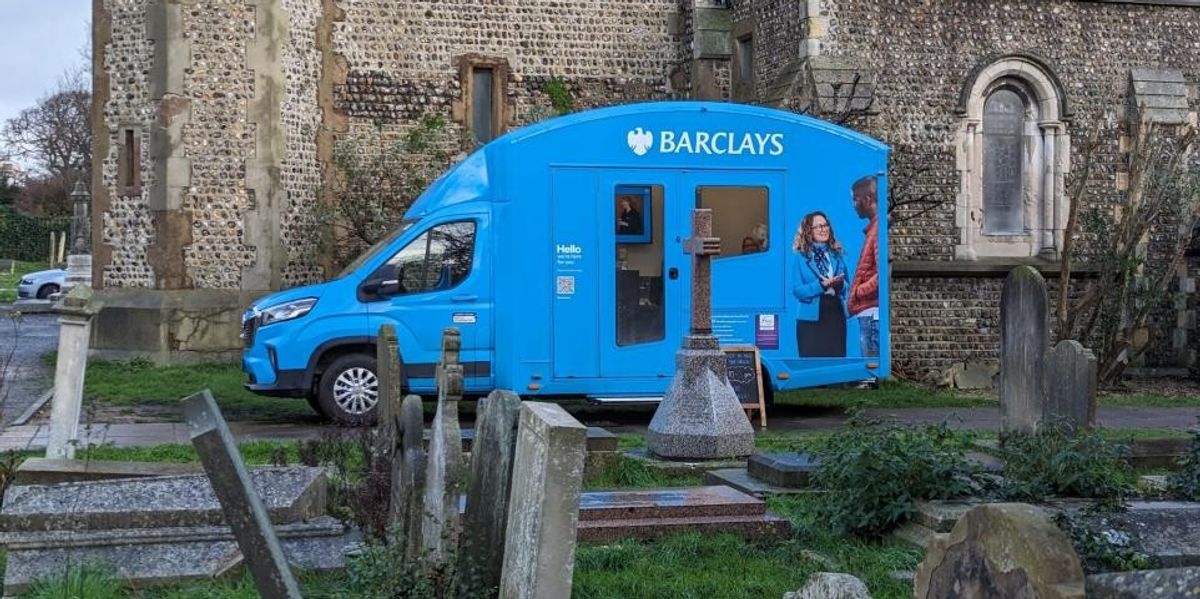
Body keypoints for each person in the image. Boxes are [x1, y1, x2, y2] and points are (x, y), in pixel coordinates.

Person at [792, 211, 848, 357]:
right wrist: (821, 286)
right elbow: (798, 290)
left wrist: (840, 285)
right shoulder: (800, 257)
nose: (824, 229)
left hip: (836, 315)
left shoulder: (837, 255)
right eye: (819, 226)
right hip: (810, 319)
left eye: (826, 225)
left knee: (836, 362)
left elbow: (848, 286)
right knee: (812, 362)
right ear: (808, 231)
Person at [847, 175, 880, 358]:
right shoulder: (873, 229)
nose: (853, 205)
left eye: (855, 199)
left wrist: (859, 291)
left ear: (867, 200)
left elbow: (880, 274)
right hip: (868, 312)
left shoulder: (877, 231)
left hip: (870, 312)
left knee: (870, 362)